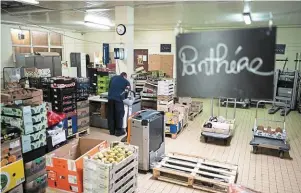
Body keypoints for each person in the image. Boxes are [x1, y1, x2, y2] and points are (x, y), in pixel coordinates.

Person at [107, 72, 130, 136]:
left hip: (110, 99)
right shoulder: (126, 82)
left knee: (111, 115)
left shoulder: (113, 78)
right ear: (125, 76)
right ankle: (119, 132)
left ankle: (111, 131)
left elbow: (109, 87)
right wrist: (124, 98)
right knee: (119, 115)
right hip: (118, 99)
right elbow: (126, 92)